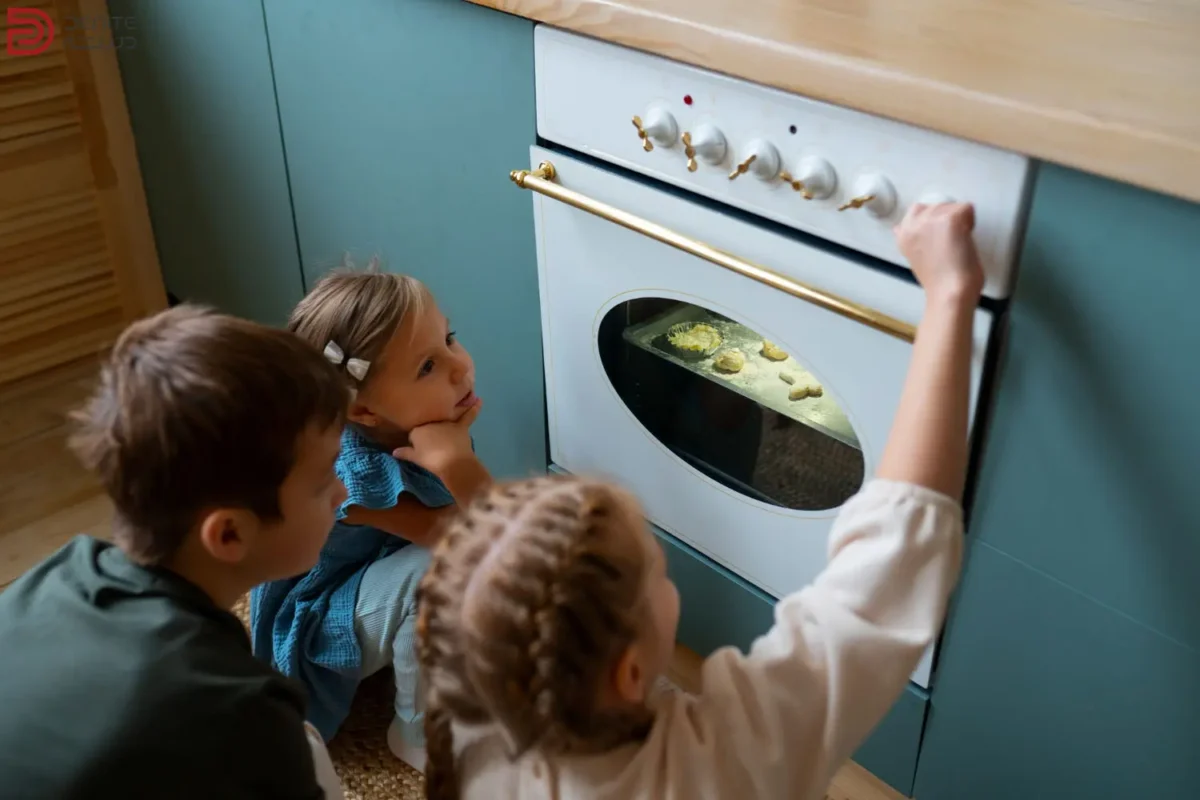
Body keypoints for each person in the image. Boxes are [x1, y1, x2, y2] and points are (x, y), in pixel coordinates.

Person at [413, 201, 986, 799]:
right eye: (657, 572)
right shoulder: (734, 760)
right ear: (631, 672)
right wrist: (950, 297)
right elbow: (882, 584)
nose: (666, 577)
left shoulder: (474, 731)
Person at [0, 305, 349, 799]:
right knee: (307, 748)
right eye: (322, 482)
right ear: (228, 535)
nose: (340, 492)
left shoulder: (50, 579)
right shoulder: (241, 708)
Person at [250, 267, 490, 773]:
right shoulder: (348, 475)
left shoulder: (417, 425)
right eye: (428, 366)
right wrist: (459, 464)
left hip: (369, 576)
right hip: (315, 613)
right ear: (363, 413)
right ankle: (417, 732)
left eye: (449, 338)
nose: (459, 367)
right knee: (445, 568)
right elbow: (478, 533)